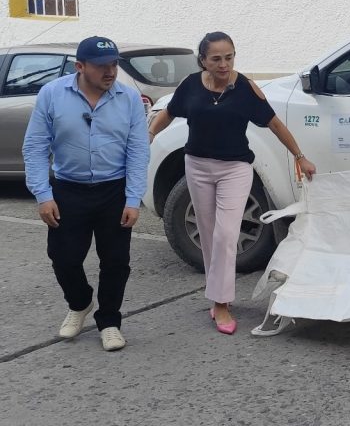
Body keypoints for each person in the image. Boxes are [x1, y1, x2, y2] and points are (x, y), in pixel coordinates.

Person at [147, 32, 316, 335]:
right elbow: (168, 116)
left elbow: (274, 123)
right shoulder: (190, 86)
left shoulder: (246, 89)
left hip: (235, 168)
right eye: (216, 59)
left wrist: (299, 156)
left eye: (229, 57)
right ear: (203, 61)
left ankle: (222, 303)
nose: (224, 64)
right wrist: (145, 139)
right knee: (209, 235)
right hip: (197, 167)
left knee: (226, 235)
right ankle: (216, 296)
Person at [23, 36, 149, 352]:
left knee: (116, 261)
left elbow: (137, 150)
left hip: (113, 189)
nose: (110, 72)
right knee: (63, 258)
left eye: (114, 65)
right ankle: (80, 303)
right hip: (68, 189)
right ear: (80, 67)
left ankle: (109, 322)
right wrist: (43, 195)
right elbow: (35, 146)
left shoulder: (129, 98)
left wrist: (133, 199)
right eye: (101, 66)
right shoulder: (52, 94)